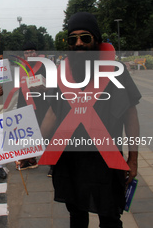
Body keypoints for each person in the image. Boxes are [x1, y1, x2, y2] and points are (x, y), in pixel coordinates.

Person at [40, 12, 140, 227]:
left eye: (85, 38)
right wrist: (31, 144)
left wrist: (133, 159)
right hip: (69, 160)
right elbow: (53, 113)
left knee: (110, 218)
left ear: (96, 40)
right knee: (76, 216)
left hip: (106, 161)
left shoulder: (116, 71)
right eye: (72, 39)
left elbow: (130, 117)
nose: (78, 44)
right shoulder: (61, 72)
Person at [15, 41, 51, 174]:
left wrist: (45, 88)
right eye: (26, 52)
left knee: (46, 135)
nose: (29, 54)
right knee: (28, 135)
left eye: (31, 51)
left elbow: (54, 86)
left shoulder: (45, 66)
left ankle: (54, 164)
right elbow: (20, 88)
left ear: (36, 52)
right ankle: (30, 159)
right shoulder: (21, 67)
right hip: (25, 104)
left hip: (42, 105)